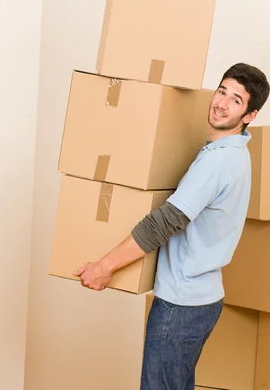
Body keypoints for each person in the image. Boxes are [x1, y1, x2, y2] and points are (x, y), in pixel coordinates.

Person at [74, 63, 270, 389]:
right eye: (221, 91)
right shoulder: (234, 155)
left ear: (249, 115)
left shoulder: (217, 162)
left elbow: (164, 222)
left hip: (181, 306)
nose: (221, 103)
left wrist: (103, 267)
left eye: (236, 100)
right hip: (203, 300)